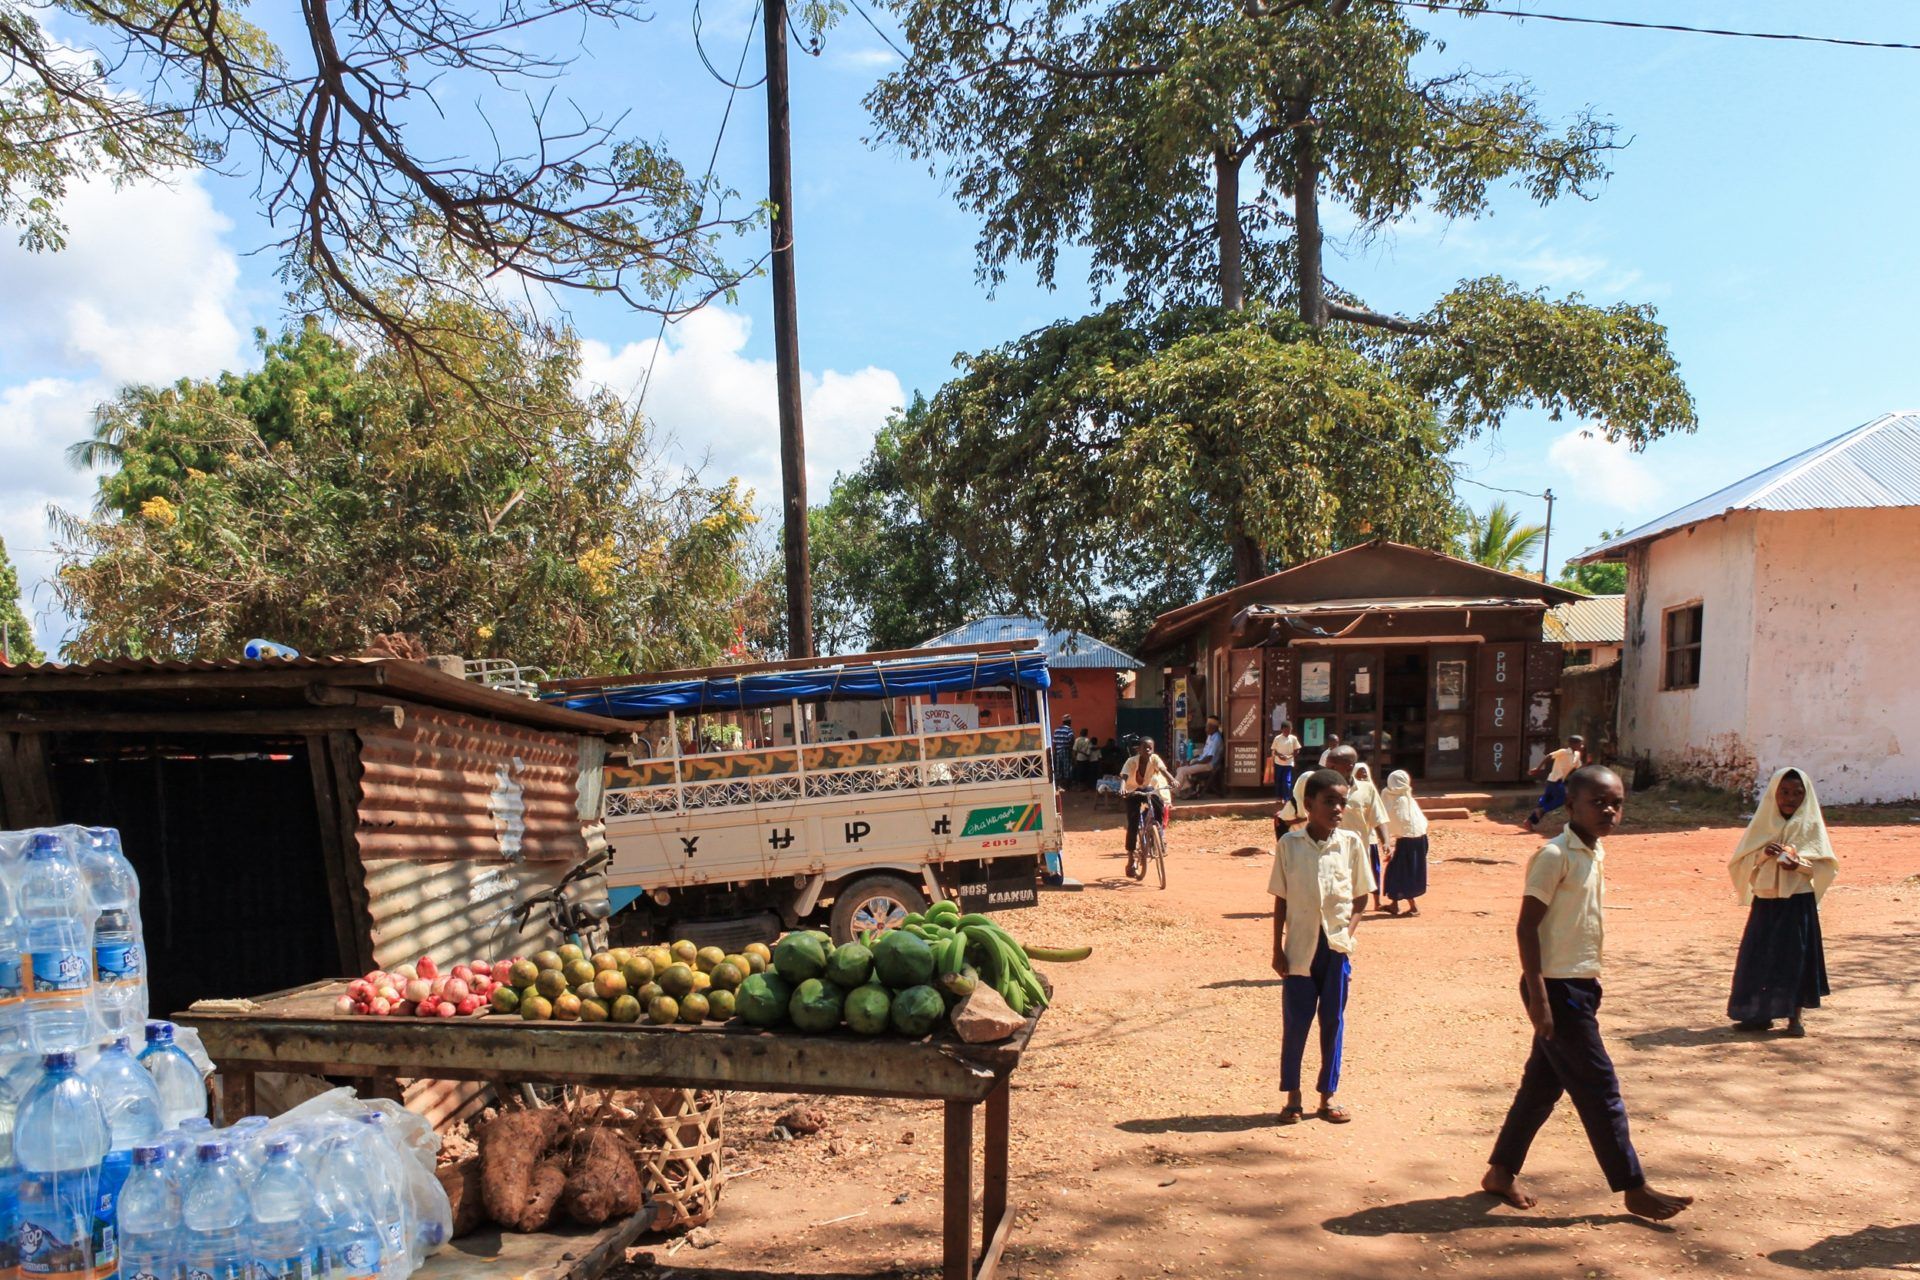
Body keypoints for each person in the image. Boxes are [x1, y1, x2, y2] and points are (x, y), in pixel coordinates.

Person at [1483, 765, 1693, 1221]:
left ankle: (1501, 1171)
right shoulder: (1554, 855)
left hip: (1580, 985)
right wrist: (1538, 997)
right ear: (1571, 805)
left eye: (1616, 802)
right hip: (1555, 990)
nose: (1609, 811)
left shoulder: (1592, 853)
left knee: (1541, 1086)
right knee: (1602, 1089)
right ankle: (1633, 1186)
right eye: (1598, 802)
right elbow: (1526, 929)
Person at [1269, 768, 1374, 1125]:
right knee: (1296, 1024)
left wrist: (1348, 934)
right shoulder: (1289, 845)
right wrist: (1276, 949)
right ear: (1309, 804)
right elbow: (1280, 900)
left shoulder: (1351, 845)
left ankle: (1327, 1096)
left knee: (1333, 1022)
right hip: (1299, 950)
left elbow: (1361, 898)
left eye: (1342, 802)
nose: (1338, 809)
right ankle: (1292, 1096)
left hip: (1335, 951)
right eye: (1330, 801)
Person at [1727, 768, 1837, 1036]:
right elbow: (1739, 864)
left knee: (1795, 958)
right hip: (1767, 901)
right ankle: (1758, 1015)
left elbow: (1825, 867)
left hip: (1798, 902)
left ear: (1806, 796)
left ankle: (1794, 1019)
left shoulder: (1810, 826)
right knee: (1761, 956)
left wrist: (1798, 864)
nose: (1791, 798)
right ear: (1773, 795)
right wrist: (1764, 855)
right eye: (1784, 792)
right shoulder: (1762, 826)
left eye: (1798, 793)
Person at [1119, 737, 1175, 881]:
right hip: (1132, 791)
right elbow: (1124, 777)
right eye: (1145, 747)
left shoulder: (1155, 759)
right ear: (1140, 749)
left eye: (1151, 747)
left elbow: (1163, 770)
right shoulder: (1131, 761)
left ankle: (1155, 833)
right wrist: (1123, 789)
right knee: (1133, 824)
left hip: (1146, 789)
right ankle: (1131, 858)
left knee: (1158, 803)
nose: (1148, 750)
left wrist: (1172, 779)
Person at [1381, 770, 1430, 916]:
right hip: (1420, 838)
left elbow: (1388, 819)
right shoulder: (1407, 796)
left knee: (1399, 872)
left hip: (1407, 842)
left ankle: (1409, 906)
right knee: (1406, 871)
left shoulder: (1393, 798)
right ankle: (1397, 904)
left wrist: (1387, 841)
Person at [1525, 734, 1589, 829]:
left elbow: (1579, 768)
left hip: (1555, 781)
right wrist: (1538, 769)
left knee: (1546, 802)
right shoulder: (1563, 752)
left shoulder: (1576, 755)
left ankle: (1530, 821)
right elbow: (1548, 756)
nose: (1582, 746)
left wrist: (1587, 762)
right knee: (1561, 799)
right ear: (1573, 744)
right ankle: (1541, 811)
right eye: (1580, 744)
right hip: (1555, 780)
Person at [1174, 716, 1225, 797]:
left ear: (1214, 727)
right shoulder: (1210, 736)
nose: (1205, 728)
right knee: (1181, 768)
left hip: (1208, 765)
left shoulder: (1216, 739)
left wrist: (1196, 762)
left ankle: (1173, 792)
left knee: (1182, 770)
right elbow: (1204, 753)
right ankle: (1187, 789)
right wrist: (1195, 760)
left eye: (1208, 726)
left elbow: (1209, 758)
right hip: (1203, 762)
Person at [1270, 720, 1302, 807]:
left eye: (1289, 730)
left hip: (1288, 763)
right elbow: (1274, 750)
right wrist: (1280, 756)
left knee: (1286, 780)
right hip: (1278, 763)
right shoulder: (1277, 738)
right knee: (1279, 780)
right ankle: (1279, 797)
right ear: (1282, 730)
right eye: (1286, 730)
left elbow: (1297, 750)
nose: (1288, 732)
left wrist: (1290, 756)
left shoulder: (1293, 739)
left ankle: (1286, 798)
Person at [1052, 715, 1076, 784]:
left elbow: (1054, 742)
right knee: (1067, 768)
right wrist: (1071, 750)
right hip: (1066, 750)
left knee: (1059, 768)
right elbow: (1071, 739)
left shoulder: (1056, 730)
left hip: (1058, 751)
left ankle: (1059, 784)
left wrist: (1055, 751)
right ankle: (1067, 785)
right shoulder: (1069, 729)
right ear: (1069, 722)